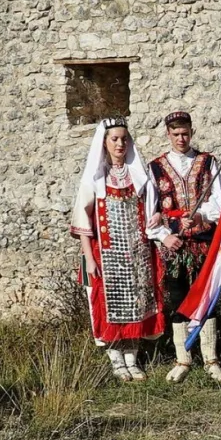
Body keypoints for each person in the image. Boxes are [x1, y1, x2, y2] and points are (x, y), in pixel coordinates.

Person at [69, 117, 166, 381]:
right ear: (105, 142)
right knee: (109, 306)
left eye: (124, 138)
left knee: (137, 304)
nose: (120, 143)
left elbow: (152, 209)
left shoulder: (139, 175)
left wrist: (156, 217)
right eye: (114, 139)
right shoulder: (95, 178)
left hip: (137, 253)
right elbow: (83, 223)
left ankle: (133, 359)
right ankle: (116, 360)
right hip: (108, 253)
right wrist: (90, 259)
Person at [146, 110, 221, 383]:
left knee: (207, 298)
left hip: (204, 241)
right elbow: (150, 209)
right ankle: (183, 358)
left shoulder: (208, 162)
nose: (181, 138)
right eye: (175, 134)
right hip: (174, 246)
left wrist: (203, 215)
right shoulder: (156, 167)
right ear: (168, 134)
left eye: (185, 133)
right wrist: (163, 236)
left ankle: (211, 359)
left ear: (192, 132)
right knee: (178, 299)